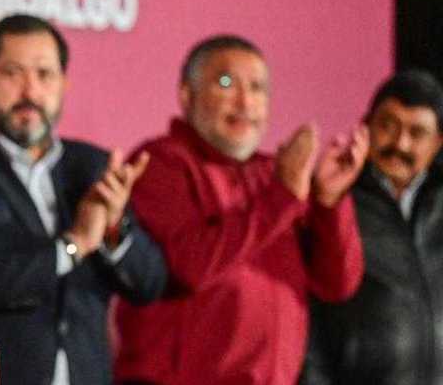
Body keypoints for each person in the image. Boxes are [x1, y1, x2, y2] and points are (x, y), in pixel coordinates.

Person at [0, 14, 167, 385]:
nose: (30, 92)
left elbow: (148, 284)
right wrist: (73, 245)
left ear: (64, 84)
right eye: (12, 73)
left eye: (45, 75)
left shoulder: (91, 166)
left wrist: (112, 231)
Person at [113, 35, 368, 385]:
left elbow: (337, 283)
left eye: (258, 88)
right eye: (226, 83)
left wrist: (327, 201)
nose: (245, 101)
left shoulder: (275, 174)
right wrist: (282, 197)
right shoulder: (160, 163)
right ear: (187, 95)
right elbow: (186, 267)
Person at [301, 70, 443, 385]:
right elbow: (311, 319)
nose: (400, 143)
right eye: (387, 126)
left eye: (417, 132)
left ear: (437, 143)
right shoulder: (334, 202)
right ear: (365, 128)